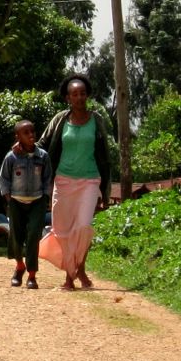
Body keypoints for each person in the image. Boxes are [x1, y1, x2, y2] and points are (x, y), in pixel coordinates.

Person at [38, 76, 111, 291]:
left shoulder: (97, 120)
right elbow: (43, 143)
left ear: (87, 95)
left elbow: (105, 154)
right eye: (74, 94)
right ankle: (77, 270)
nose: (79, 98)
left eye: (82, 93)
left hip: (89, 180)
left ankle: (71, 277)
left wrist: (105, 190)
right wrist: (23, 146)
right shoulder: (60, 119)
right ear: (67, 98)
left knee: (83, 227)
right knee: (63, 230)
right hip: (63, 181)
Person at [0, 119, 53, 290]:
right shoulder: (11, 157)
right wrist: (8, 198)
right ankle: (19, 265)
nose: (31, 135)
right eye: (26, 133)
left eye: (32, 132)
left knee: (34, 235)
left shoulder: (42, 156)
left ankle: (32, 275)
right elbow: (4, 178)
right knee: (16, 235)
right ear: (18, 136)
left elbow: (47, 179)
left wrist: (45, 197)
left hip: (37, 201)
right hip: (16, 201)